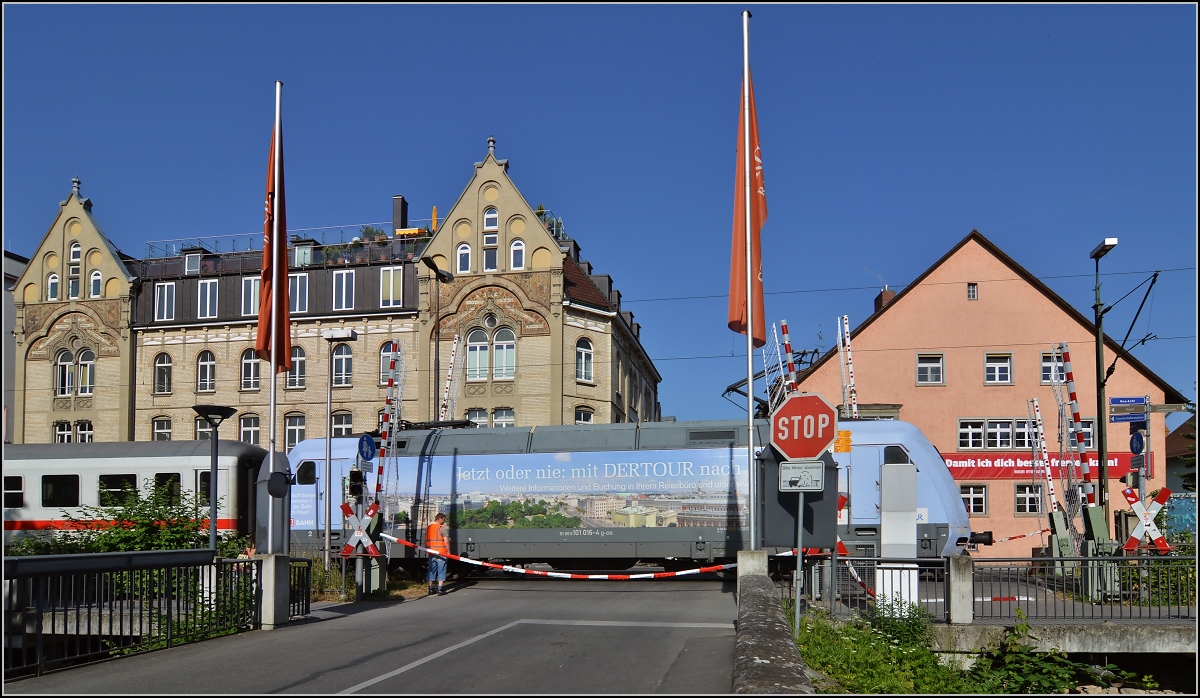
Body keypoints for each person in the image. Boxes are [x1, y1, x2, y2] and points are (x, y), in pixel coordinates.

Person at [425, 513, 449, 596]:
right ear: (440, 519)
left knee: (431, 571)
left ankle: (430, 589)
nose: (444, 521)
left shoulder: (428, 528)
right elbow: (446, 541)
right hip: (441, 553)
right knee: (441, 570)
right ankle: (440, 589)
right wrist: (448, 552)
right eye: (444, 519)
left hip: (432, 553)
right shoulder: (442, 528)